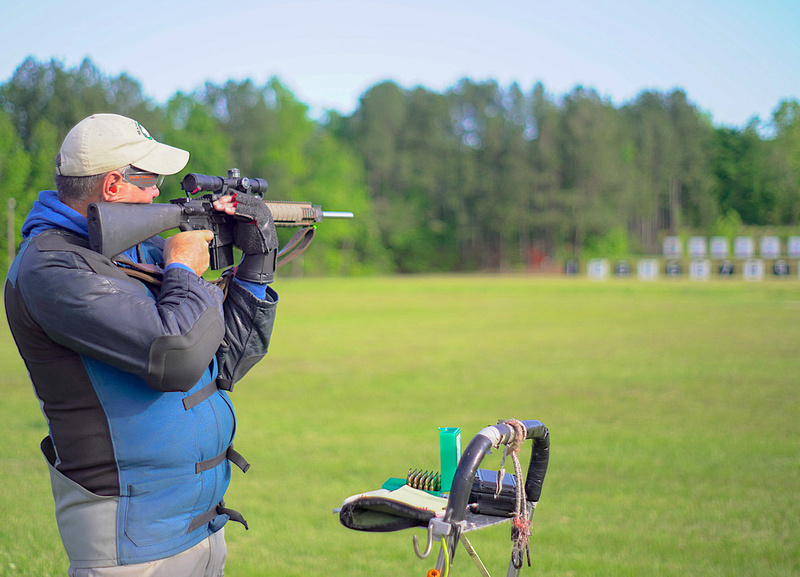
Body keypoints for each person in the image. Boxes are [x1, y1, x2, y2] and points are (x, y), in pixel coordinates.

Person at [4, 113, 279, 576]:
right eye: (149, 180)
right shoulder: (52, 270)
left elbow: (225, 360)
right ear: (112, 186)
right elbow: (177, 359)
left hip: (200, 530)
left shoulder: (139, 249)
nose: (158, 192)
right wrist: (184, 271)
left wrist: (256, 263)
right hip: (130, 547)